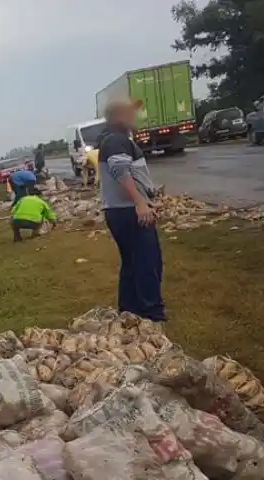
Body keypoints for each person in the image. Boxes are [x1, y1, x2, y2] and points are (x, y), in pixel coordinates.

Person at [98, 98, 165, 322]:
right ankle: (151, 314)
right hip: (128, 210)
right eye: (130, 113)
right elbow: (120, 170)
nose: (134, 116)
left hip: (120, 210)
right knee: (148, 262)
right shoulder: (117, 140)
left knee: (132, 263)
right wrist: (139, 202)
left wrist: (145, 198)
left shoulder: (112, 139)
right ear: (119, 116)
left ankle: (128, 311)